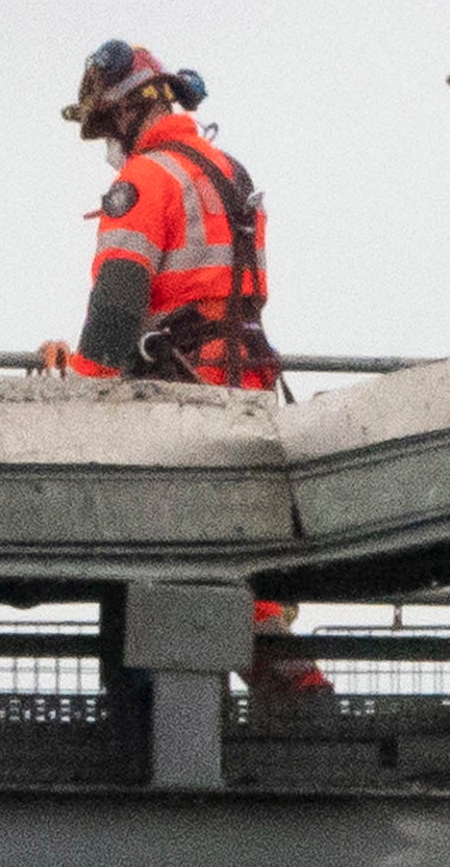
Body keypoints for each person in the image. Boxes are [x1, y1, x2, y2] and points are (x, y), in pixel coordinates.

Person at [36, 37, 323, 701]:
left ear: (128, 112)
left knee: (171, 569)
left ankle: (221, 724)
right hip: (244, 382)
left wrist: (77, 396)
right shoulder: (230, 172)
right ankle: (297, 712)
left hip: (183, 399)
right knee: (245, 573)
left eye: (105, 126)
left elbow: (115, 313)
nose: (107, 143)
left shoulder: (144, 181)